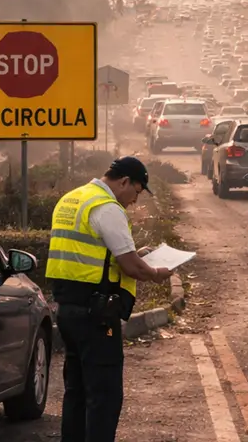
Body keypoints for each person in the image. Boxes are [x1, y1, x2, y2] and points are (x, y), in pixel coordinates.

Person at [46, 156, 171, 442]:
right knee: (105, 396)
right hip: (97, 317)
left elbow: (89, 254)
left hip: (68, 311)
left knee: (76, 393)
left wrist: (135, 255)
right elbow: (130, 267)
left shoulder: (72, 199)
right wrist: (155, 272)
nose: (135, 201)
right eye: (137, 192)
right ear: (124, 181)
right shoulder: (107, 208)